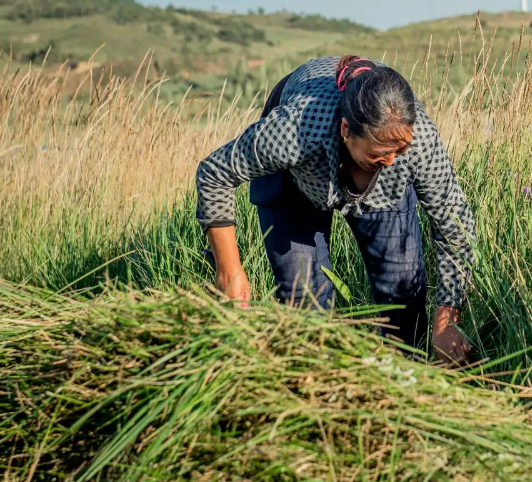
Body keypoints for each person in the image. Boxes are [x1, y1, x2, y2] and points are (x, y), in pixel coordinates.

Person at [194, 55, 475, 366]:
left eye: (401, 151)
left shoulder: (415, 140)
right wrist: (229, 270)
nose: (394, 161)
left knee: (403, 300)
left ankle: (399, 384)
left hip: (377, 187)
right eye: (381, 153)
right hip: (297, 177)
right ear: (345, 130)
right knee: (305, 306)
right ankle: (316, 384)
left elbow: (454, 220)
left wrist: (448, 319)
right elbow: (214, 173)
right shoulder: (293, 131)